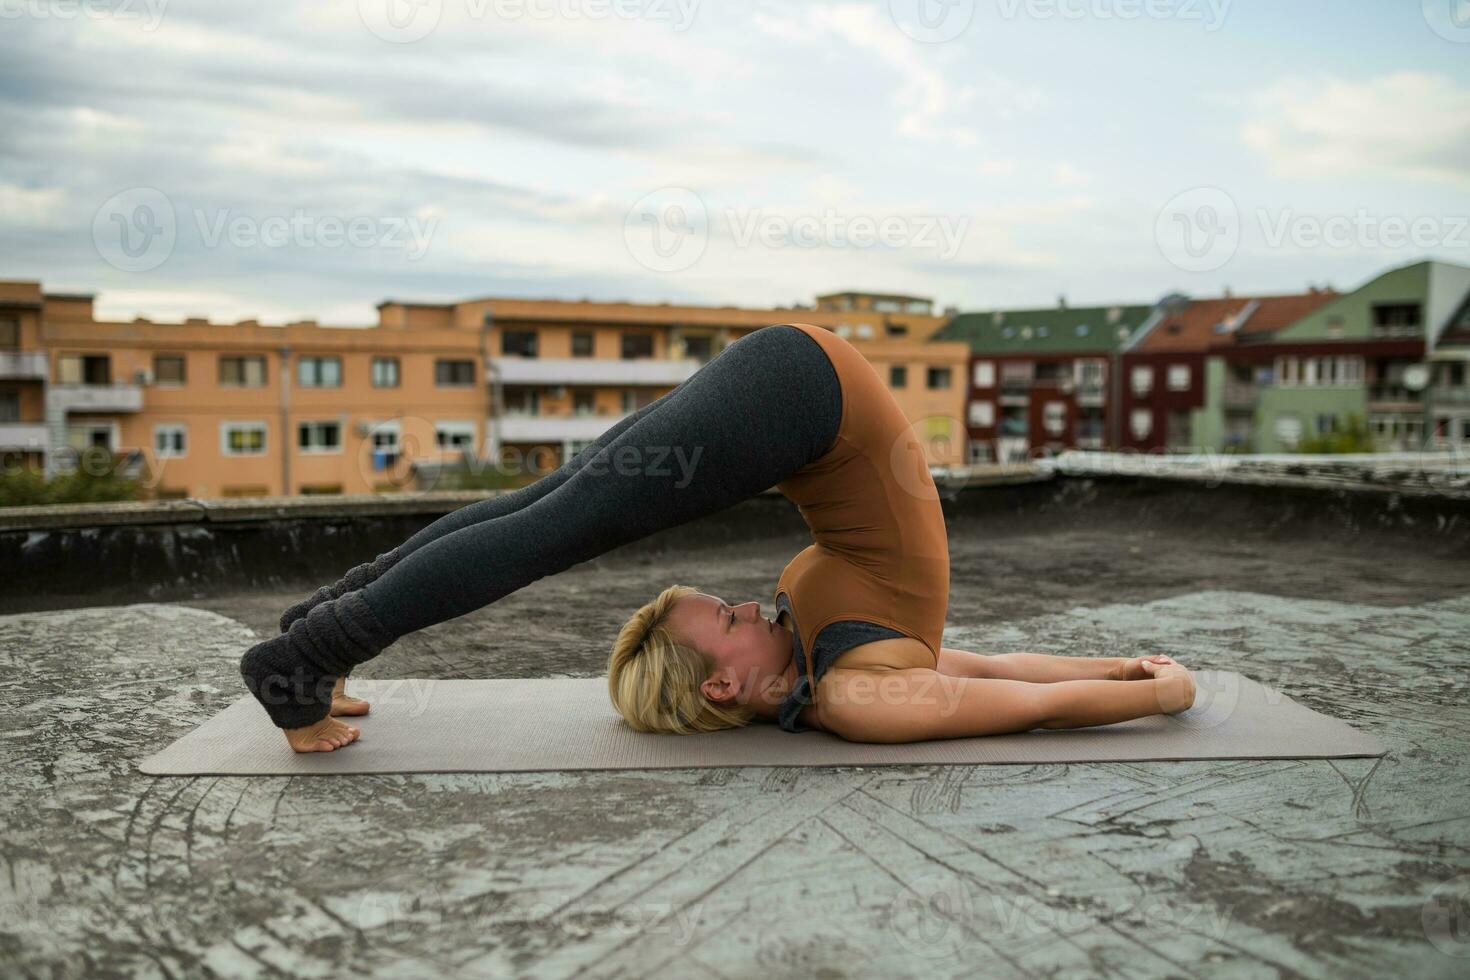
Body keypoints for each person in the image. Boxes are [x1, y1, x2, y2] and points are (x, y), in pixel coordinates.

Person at [242, 323, 1195, 753]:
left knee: (552, 514)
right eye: (733, 615)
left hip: (798, 398)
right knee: (553, 516)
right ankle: (306, 647)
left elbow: (995, 676)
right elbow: (1013, 692)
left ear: (725, 688)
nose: (746, 604)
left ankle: (309, 641)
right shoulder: (864, 694)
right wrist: (1147, 687)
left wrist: (1135, 681)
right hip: (799, 398)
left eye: (732, 614)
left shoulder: (848, 680)